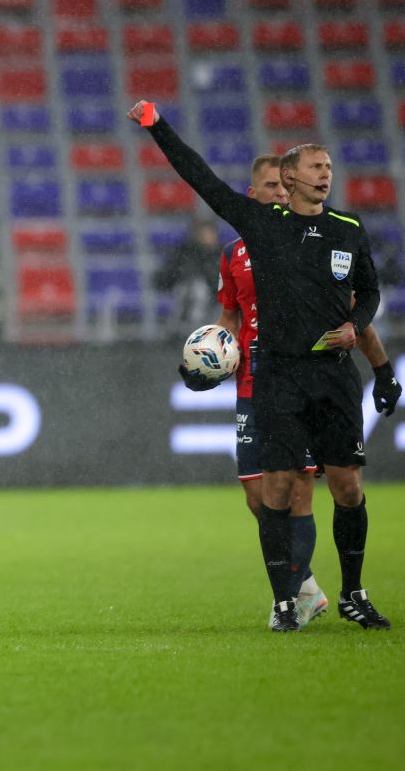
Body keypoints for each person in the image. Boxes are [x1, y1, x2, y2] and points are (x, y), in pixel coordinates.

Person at [132, 102, 401, 632]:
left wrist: (378, 361)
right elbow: (201, 178)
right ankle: (286, 601)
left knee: (347, 488)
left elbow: (368, 294)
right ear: (290, 178)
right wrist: (157, 127)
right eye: (316, 167)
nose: (326, 174)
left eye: (328, 167)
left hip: (334, 374)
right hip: (278, 375)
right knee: (275, 489)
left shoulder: (348, 228)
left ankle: (352, 593)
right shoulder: (261, 225)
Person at [155, 217, 222, 333]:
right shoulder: (186, 252)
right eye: (205, 233)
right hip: (187, 294)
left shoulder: (221, 254)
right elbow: (168, 275)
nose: (209, 237)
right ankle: (187, 328)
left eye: (211, 233)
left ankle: (195, 329)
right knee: (196, 290)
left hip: (214, 295)